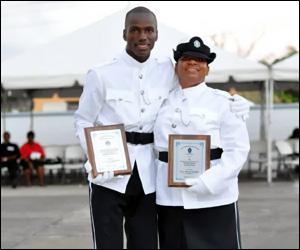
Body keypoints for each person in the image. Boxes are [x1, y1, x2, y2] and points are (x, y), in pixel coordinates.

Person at [74, 7, 250, 249]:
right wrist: (94, 158)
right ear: (125, 34)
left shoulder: (167, 68)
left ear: (157, 35)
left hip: (149, 174)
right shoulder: (102, 73)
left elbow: (196, 83)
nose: (142, 36)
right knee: (107, 244)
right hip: (110, 171)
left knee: (146, 244)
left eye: (149, 30)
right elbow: (82, 119)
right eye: (135, 30)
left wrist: (235, 102)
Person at [153, 36, 250, 249]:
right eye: (186, 58)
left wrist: (208, 182)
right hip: (171, 199)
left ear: (207, 69)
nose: (193, 63)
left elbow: (238, 150)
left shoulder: (224, 102)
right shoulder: (159, 102)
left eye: (201, 60)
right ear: (177, 65)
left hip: (214, 198)